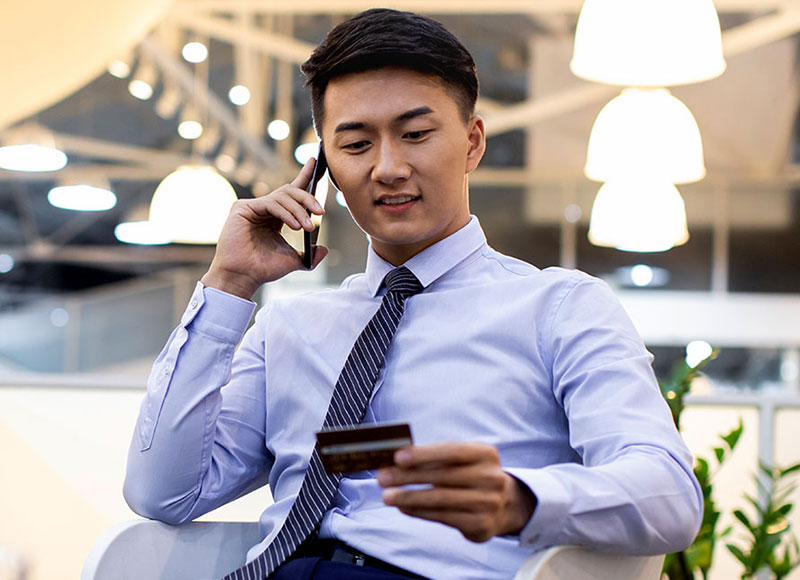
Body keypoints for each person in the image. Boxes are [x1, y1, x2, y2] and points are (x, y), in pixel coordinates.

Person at [124, 8, 702, 580]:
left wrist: (520, 500)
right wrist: (228, 285)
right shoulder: (287, 329)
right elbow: (164, 494)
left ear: (472, 143)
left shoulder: (558, 308)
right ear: (322, 166)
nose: (388, 168)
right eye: (355, 145)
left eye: (416, 135)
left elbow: (669, 494)